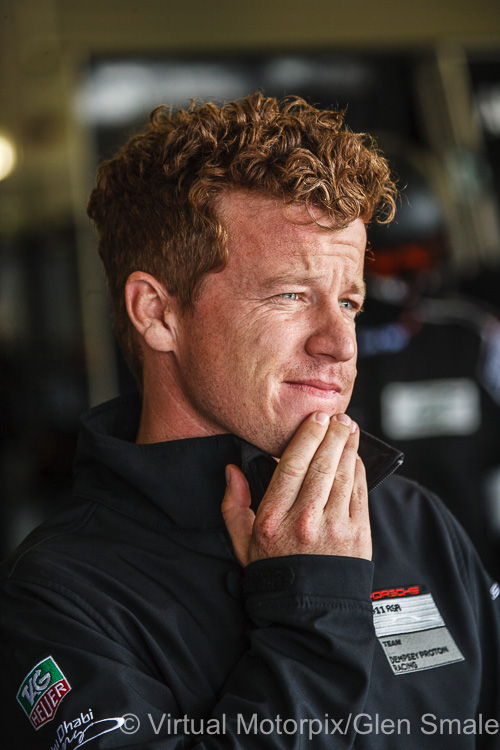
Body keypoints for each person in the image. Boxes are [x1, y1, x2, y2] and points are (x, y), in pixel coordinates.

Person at [0, 93, 499, 749]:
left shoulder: (413, 522)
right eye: (291, 294)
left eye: (348, 301)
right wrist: (312, 616)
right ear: (157, 312)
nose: (341, 343)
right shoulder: (63, 598)